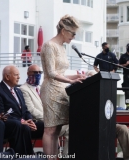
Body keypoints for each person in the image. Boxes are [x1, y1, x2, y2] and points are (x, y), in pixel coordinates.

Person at [40, 14, 86, 159]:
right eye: (73, 33)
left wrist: (76, 77)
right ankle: (50, 158)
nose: (73, 36)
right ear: (64, 30)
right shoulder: (49, 45)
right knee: (50, 128)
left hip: (61, 89)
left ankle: (55, 157)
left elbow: (62, 73)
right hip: (51, 90)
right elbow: (52, 73)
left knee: (58, 128)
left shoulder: (62, 47)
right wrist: (71, 81)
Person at [0, 65, 44, 154]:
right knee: (23, 127)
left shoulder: (18, 91)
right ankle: (25, 156)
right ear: (7, 77)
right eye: (16, 75)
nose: (19, 77)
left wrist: (30, 120)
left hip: (23, 123)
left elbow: (25, 110)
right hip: (9, 124)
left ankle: (51, 156)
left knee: (44, 126)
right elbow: (0, 113)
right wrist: (22, 121)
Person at [20, 64, 69, 156]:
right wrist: (49, 118)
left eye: (39, 72)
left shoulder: (40, 87)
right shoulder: (24, 89)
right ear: (28, 73)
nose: (38, 74)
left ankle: (67, 156)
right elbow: (31, 110)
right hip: (38, 122)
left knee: (70, 128)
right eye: (35, 72)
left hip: (48, 121)